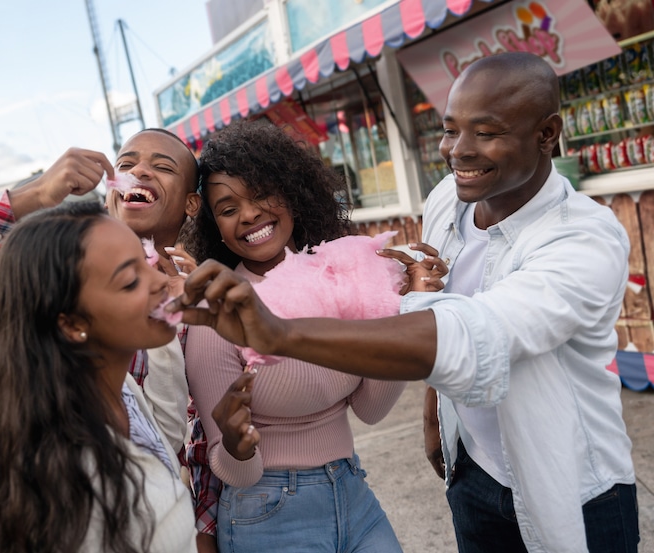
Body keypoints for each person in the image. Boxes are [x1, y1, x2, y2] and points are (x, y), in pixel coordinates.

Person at [170, 53, 639, 552]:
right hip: (473, 474)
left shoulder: (583, 240)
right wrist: (434, 417)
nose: (458, 151)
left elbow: (475, 338)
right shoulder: (447, 201)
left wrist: (278, 334)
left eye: (486, 131)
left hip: (569, 486)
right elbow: (438, 319)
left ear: (547, 135)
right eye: (450, 129)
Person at [0, 131, 221, 552]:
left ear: (190, 202)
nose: (139, 170)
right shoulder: (51, 274)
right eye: (126, 164)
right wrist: (31, 195)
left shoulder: (209, 289)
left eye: (162, 167)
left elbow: (173, 437)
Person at [183, 120, 410, 552]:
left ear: (292, 190)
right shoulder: (218, 310)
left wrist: (396, 312)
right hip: (266, 511)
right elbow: (230, 467)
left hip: (352, 491)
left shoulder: (344, 276)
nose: (249, 214)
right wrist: (236, 443)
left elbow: (371, 408)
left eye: (261, 193)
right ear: (216, 225)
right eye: (229, 209)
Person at [0, 201, 196, 551]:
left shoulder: (120, 392)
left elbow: (168, 434)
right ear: (72, 323)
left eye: (148, 264)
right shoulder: (71, 471)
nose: (164, 281)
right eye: (131, 280)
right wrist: (31, 193)